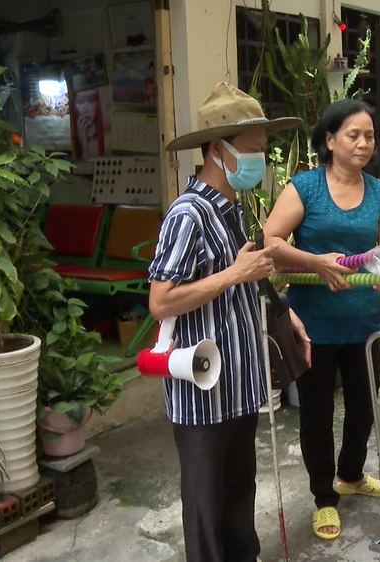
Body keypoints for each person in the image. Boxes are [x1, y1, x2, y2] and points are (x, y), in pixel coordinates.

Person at [149, 82, 312, 562]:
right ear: (218, 151)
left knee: (240, 494)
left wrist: (289, 315)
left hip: (239, 382)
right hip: (200, 392)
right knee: (206, 506)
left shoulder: (231, 211)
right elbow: (161, 301)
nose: (261, 160)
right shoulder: (188, 215)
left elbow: (251, 278)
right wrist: (234, 273)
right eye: (254, 150)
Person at [263, 99, 380, 540]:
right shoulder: (305, 187)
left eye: (370, 136)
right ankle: (324, 497)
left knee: (363, 410)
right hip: (312, 325)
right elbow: (271, 241)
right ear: (330, 140)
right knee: (316, 415)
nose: (363, 143)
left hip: (363, 324)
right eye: (353, 135)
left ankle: (352, 475)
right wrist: (316, 262)